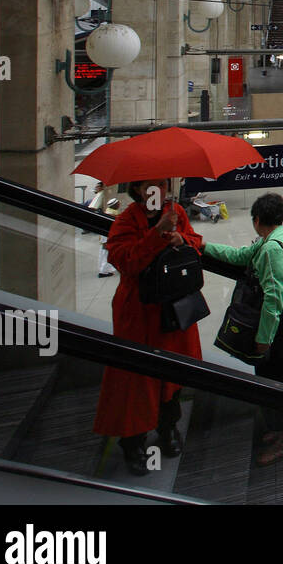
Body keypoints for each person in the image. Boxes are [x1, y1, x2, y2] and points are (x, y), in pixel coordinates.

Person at [92, 178, 204, 476]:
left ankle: (167, 429)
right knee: (135, 381)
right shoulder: (126, 220)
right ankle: (133, 443)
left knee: (172, 376)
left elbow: (196, 244)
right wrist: (156, 234)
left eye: (162, 186)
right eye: (150, 187)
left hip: (172, 309)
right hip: (139, 314)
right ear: (138, 190)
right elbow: (126, 261)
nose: (157, 192)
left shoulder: (176, 212)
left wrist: (182, 239)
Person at [203, 193, 283, 465]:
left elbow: (274, 296)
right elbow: (239, 256)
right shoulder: (278, 239)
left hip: (278, 320)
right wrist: (202, 246)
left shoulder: (272, 248)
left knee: (272, 377)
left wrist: (264, 339)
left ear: (257, 220)